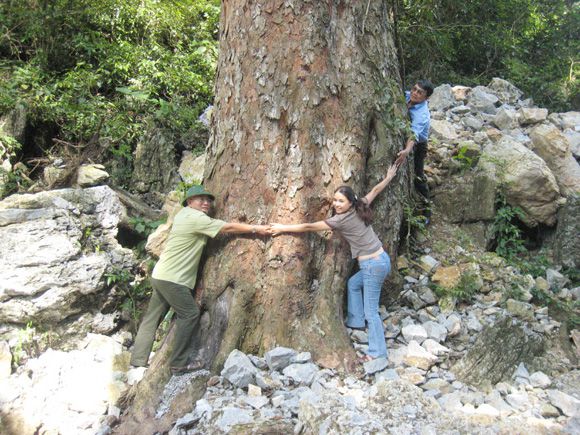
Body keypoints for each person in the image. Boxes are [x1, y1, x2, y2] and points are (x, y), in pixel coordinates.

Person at [130, 185, 269, 375]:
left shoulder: (182, 214)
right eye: (199, 199)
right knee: (190, 314)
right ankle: (178, 364)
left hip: (161, 274)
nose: (205, 202)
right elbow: (227, 227)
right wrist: (257, 228)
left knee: (152, 317)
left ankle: (137, 361)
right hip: (173, 279)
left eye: (208, 199)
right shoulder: (196, 218)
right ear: (189, 202)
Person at [270, 164, 399, 362]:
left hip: (372, 265)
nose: (336, 205)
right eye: (335, 201)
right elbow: (375, 190)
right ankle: (356, 323)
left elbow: (308, 226)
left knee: (371, 312)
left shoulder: (340, 220)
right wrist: (389, 177)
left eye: (341, 201)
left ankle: (377, 353)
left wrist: (282, 227)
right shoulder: (360, 205)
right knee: (353, 284)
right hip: (382, 260)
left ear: (350, 202)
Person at [395, 79, 434, 221]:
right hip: (409, 138)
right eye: (414, 89)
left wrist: (406, 151)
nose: (415, 93)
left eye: (420, 92)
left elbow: (414, 134)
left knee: (418, 176)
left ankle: (427, 211)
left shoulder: (422, 114)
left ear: (426, 97)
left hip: (419, 146)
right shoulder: (407, 96)